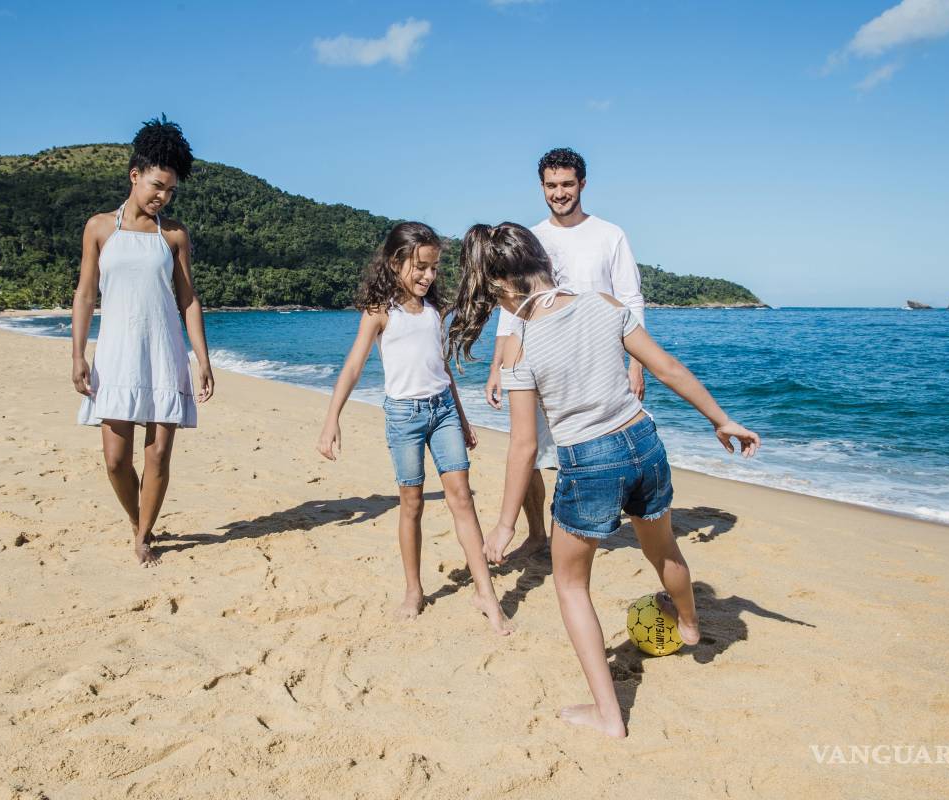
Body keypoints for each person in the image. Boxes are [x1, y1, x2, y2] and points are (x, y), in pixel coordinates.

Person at [448, 223, 760, 737]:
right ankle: (688, 624)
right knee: (663, 549)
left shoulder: (520, 343)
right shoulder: (603, 302)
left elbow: (524, 445)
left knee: (571, 585)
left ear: (500, 284)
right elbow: (666, 368)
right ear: (542, 261)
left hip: (589, 460)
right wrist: (720, 419)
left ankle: (609, 716)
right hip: (643, 441)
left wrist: (504, 525)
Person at [317, 222, 510, 635]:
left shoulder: (434, 311)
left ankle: (486, 594)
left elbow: (442, 370)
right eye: (420, 267)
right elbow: (353, 366)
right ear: (395, 262)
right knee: (412, 504)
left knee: (462, 498)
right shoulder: (380, 311)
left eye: (434, 268)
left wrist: (462, 418)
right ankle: (413, 590)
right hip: (404, 417)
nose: (428, 276)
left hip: (443, 412)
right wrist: (332, 418)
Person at [484, 148, 647, 560]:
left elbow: (630, 300)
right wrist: (497, 365)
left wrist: (637, 364)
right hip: (537, 360)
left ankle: (574, 532)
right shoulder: (532, 237)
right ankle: (537, 534)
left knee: (581, 446)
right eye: (551, 185)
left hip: (596, 363)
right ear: (541, 187)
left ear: (582, 184)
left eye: (567, 184)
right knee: (528, 450)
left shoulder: (610, 235)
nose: (559, 193)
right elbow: (512, 305)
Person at [71, 116, 214, 567]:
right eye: (157, 186)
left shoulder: (173, 235)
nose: (162, 197)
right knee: (116, 460)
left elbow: (188, 299)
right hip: (116, 354)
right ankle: (139, 520)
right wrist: (77, 354)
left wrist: (202, 359)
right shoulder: (99, 228)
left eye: (170, 191)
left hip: (164, 353)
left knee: (158, 455)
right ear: (135, 175)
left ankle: (143, 536)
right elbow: (86, 294)